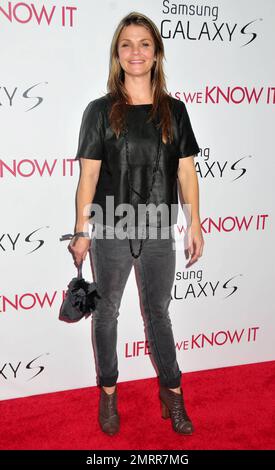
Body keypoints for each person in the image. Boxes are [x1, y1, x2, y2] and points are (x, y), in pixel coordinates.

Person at [69, 11, 204, 436]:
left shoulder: (174, 111)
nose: (135, 52)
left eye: (144, 43)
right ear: (117, 54)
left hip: (159, 228)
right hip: (109, 228)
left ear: (157, 53)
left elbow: (186, 173)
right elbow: (88, 177)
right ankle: (108, 393)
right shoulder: (99, 111)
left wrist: (195, 223)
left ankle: (173, 393)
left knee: (158, 315)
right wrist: (81, 230)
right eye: (126, 44)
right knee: (106, 313)